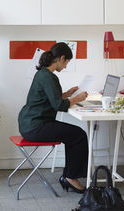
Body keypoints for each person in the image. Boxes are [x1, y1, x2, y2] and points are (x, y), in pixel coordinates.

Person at [18, 42, 89, 194]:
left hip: (30, 124)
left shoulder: (43, 73)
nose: (66, 66)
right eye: (67, 62)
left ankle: (69, 176)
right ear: (61, 58)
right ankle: (70, 177)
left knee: (74, 135)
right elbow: (59, 105)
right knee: (79, 135)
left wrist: (68, 94)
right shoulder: (49, 77)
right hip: (36, 127)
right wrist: (78, 98)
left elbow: (52, 99)